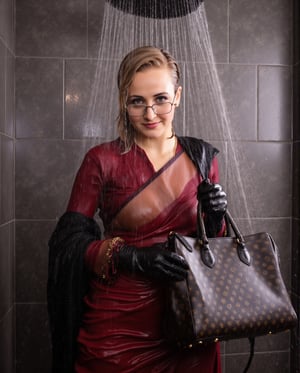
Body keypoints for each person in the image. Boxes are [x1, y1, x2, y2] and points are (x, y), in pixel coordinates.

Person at [47, 46, 227, 373]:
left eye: (160, 99)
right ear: (123, 101)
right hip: (118, 323)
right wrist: (131, 257)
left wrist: (215, 216)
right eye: (136, 102)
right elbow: (68, 245)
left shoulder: (203, 159)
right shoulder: (101, 161)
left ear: (178, 95)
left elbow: (212, 245)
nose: (150, 114)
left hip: (190, 318)